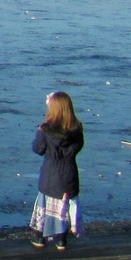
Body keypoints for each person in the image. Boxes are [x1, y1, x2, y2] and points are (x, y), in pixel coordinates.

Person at [30, 91, 84, 251]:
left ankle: (39, 237)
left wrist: (41, 131)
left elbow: (38, 149)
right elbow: (78, 147)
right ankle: (61, 239)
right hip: (69, 172)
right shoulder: (77, 129)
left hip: (51, 173)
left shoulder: (46, 129)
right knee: (64, 204)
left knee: (45, 204)